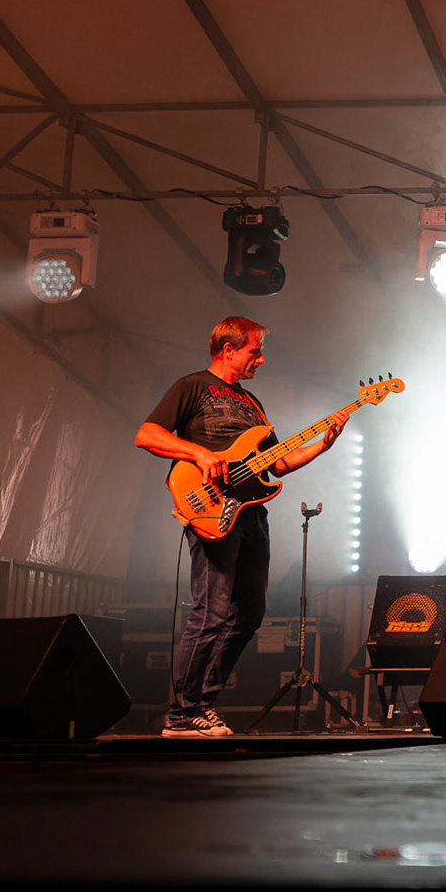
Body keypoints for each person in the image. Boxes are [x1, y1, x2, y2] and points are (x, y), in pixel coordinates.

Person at [135, 316, 346, 738]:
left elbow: (278, 462)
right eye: (254, 351)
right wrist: (198, 454)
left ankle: (203, 704)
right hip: (211, 507)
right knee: (210, 612)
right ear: (228, 350)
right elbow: (147, 434)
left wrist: (322, 445)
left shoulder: (253, 405)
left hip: (251, 513)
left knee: (249, 614)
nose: (261, 359)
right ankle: (180, 715)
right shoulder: (192, 385)